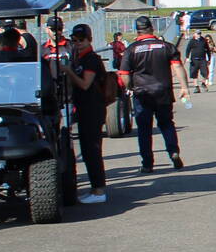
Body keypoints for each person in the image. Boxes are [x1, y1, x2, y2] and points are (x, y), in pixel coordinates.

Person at [120, 15, 189, 172]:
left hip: (142, 93)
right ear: (152, 28)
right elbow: (178, 67)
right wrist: (184, 87)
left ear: (137, 31)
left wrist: (130, 87)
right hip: (163, 91)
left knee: (144, 129)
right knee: (166, 124)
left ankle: (147, 163)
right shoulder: (166, 46)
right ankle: (173, 152)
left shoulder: (131, 49)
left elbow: (124, 74)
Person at [64, 24, 110, 203]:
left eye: (81, 40)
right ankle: (95, 189)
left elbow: (85, 84)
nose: (77, 44)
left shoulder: (90, 59)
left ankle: (99, 191)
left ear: (89, 40)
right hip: (84, 109)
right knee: (87, 150)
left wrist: (68, 72)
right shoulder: (80, 58)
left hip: (93, 109)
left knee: (92, 150)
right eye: (74, 41)